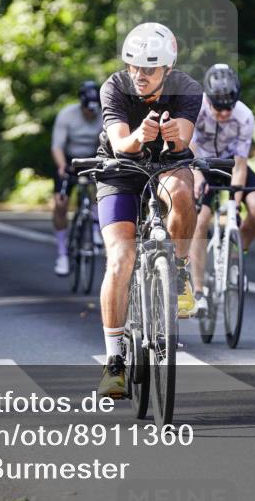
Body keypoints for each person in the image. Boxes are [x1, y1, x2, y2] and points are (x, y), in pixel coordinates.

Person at [94, 22, 203, 398]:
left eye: (149, 69)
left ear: (167, 70)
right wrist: (141, 135)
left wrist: (173, 139)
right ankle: (114, 363)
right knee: (121, 258)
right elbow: (120, 141)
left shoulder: (187, 88)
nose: (139, 76)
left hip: (166, 166)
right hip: (120, 170)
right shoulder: (115, 86)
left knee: (183, 191)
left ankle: (179, 269)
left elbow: (184, 140)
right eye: (133, 67)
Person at [188, 64, 255, 313]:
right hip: (199, 163)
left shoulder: (244, 116)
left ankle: (236, 257)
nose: (223, 113)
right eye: (218, 107)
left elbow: (241, 164)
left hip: (231, 165)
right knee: (200, 219)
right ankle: (198, 290)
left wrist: (235, 199)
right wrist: (198, 175)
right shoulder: (196, 108)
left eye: (228, 107)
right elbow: (186, 147)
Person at [50, 80, 104, 276]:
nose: (91, 113)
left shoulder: (103, 116)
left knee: (104, 188)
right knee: (61, 203)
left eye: (95, 109)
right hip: (68, 159)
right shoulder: (67, 115)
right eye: (88, 110)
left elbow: (106, 143)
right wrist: (62, 165)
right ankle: (62, 254)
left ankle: (97, 227)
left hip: (93, 158)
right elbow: (57, 146)